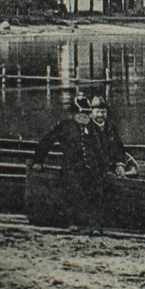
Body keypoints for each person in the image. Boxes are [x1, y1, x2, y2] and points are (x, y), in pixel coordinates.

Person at [32, 94, 117, 230]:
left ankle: (94, 225)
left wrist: (106, 167)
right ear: (75, 114)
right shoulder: (65, 126)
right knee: (72, 190)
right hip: (71, 168)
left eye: (87, 114)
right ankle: (72, 223)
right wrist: (38, 161)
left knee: (97, 190)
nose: (85, 117)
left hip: (90, 168)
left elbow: (100, 148)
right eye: (82, 114)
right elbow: (46, 141)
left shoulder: (92, 128)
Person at [86, 95, 138, 177]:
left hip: (112, 169)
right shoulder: (87, 129)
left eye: (103, 112)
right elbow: (89, 155)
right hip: (96, 171)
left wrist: (120, 165)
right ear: (91, 114)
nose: (100, 115)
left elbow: (119, 148)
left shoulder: (111, 128)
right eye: (97, 112)